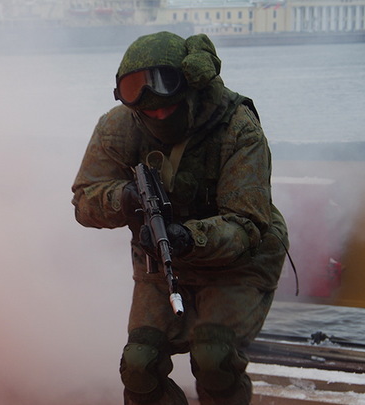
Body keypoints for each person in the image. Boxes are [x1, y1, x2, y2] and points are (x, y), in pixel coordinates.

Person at [71, 31, 289, 405]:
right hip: (161, 261)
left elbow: (246, 225)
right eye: (145, 108)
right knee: (140, 365)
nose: (155, 113)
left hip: (238, 262)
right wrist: (123, 198)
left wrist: (189, 238)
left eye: (165, 107)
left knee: (214, 358)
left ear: (189, 91)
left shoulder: (236, 127)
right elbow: (84, 200)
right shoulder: (120, 126)